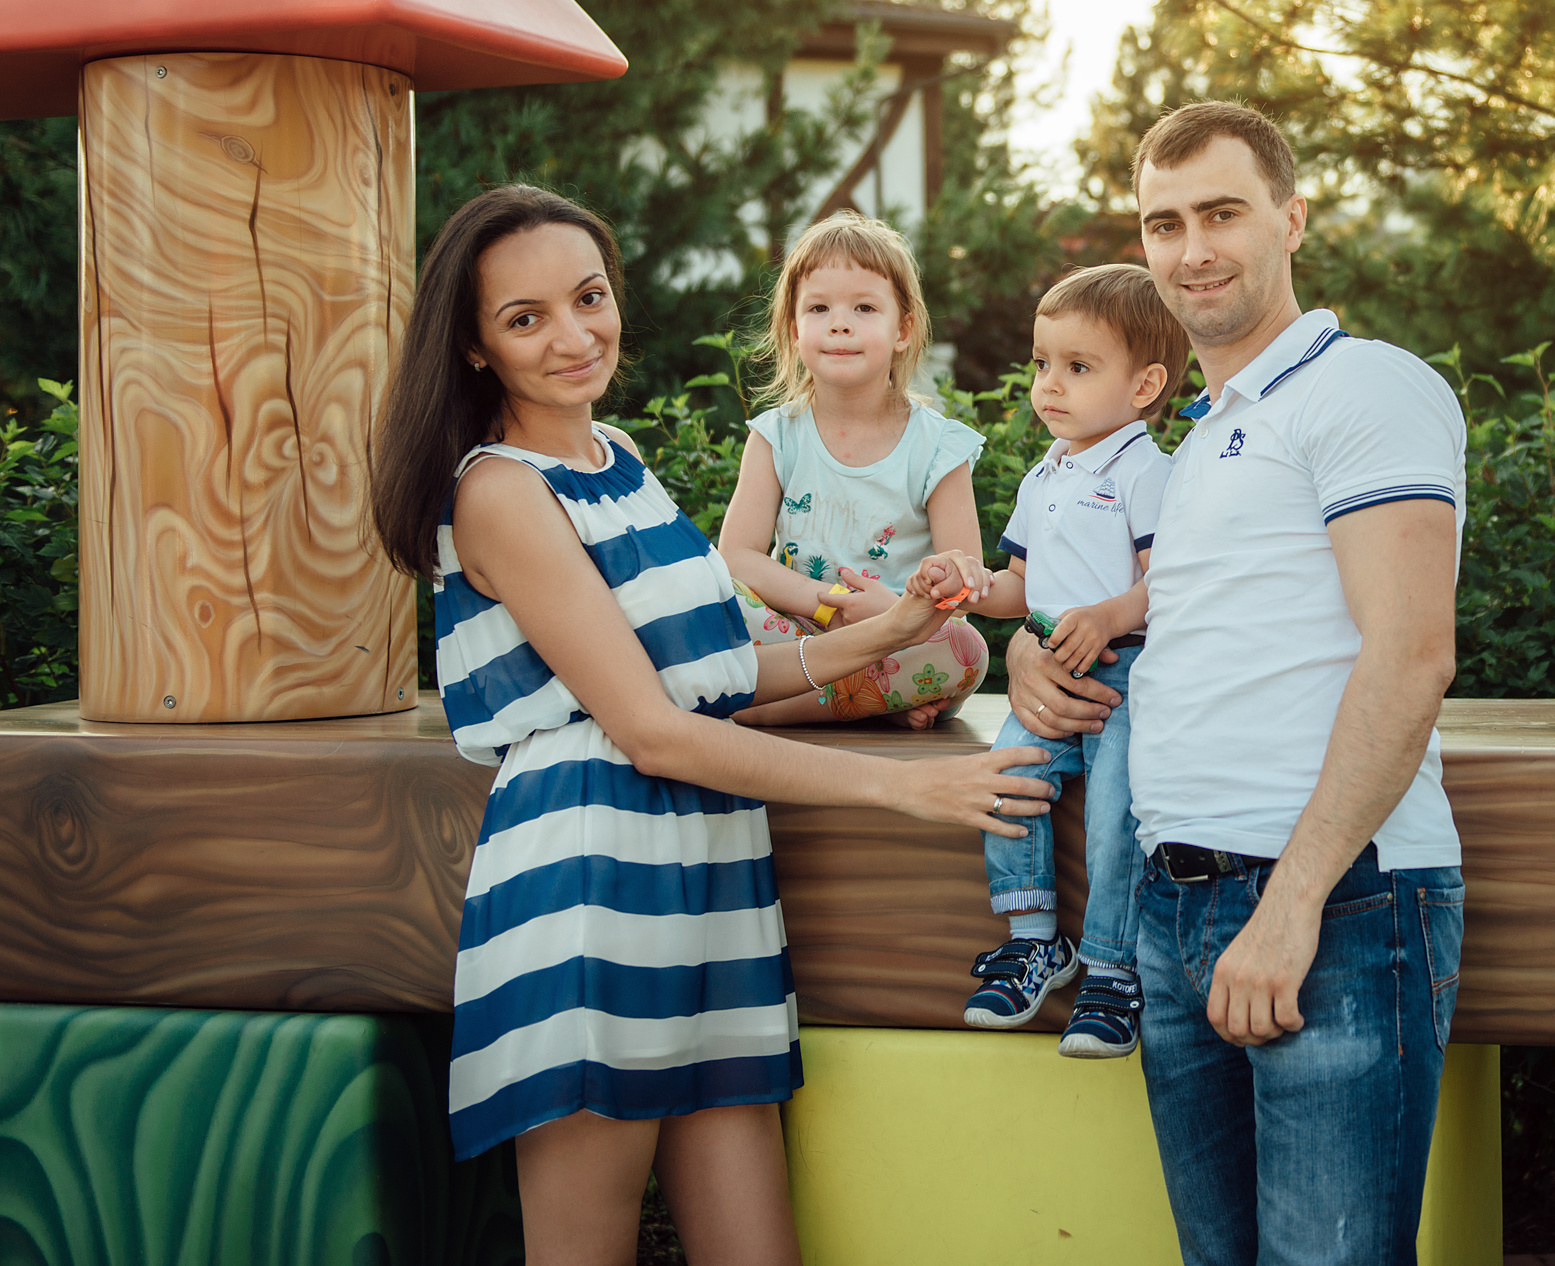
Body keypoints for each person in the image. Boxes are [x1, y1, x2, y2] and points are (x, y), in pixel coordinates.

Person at [370, 185, 1052, 1266]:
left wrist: (900, 629)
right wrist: (903, 786)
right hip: (594, 873)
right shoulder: (500, 492)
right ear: (472, 346)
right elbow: (650, 730)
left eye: (588, 298)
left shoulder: (620, 461)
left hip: (715, 865)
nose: (574, 334)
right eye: (525, 317)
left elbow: (721, 679)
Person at [1004, 104, 1468, 1265]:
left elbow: (1412, 656)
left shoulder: (1365, 387)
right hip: (1172, 905)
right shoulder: (1202, 436)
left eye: (1222, 213)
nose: (1191, 248)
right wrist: (1028, 647)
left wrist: (1294, 903)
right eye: (1165, 223)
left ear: (1291, 219)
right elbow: (1159, 626)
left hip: (1337, 905)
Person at [931, 263, 1187, 1057]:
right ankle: (1036, 940)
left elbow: (1169, 583)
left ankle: (1113, 970)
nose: (1049, 385)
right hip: (1048, 676)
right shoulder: (1046, 474)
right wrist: (972, 586)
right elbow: (1020, 586)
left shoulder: (1149, 473)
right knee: (1007, 776)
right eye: (1043, 363)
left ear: (1144, 385)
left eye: (1078, 368)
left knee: (1116, 813)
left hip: (1125, 680)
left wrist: (1110, 614)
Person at [717, 210, 997, 727]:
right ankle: (867, 704)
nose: (840, 322)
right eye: (819, 307)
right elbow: (736, 555)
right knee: (710, 592)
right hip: (795, 629)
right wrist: (824, 604)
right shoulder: (776, 436)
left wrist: (895, 613)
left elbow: (962, 586)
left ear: (903, 330)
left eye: (865, 307)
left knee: (964, 649)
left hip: (894, 634)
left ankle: (768, 712)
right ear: (794, 330)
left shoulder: (938, 448)